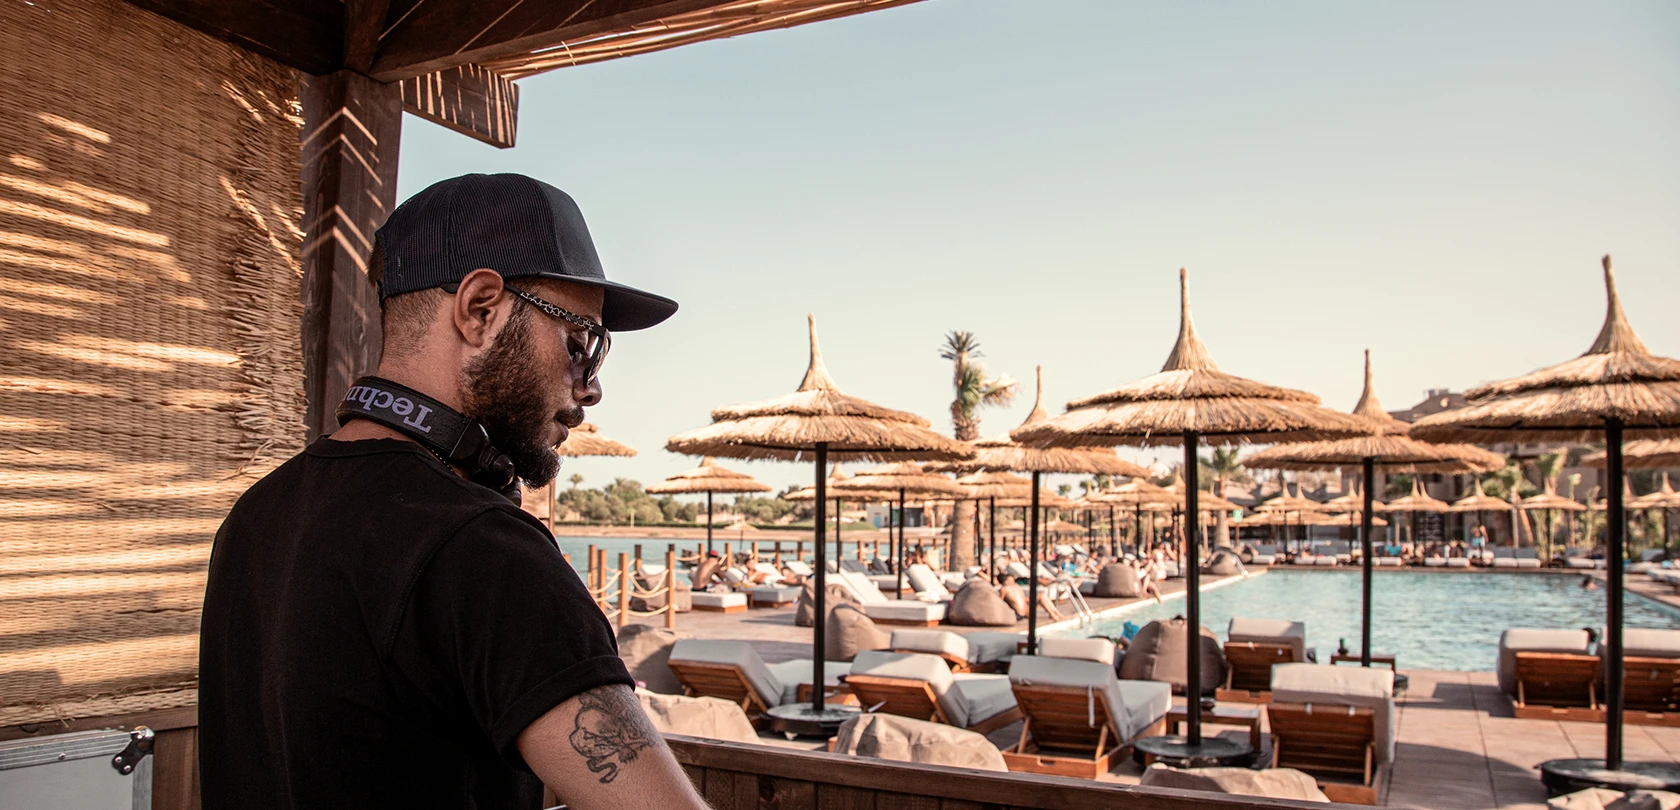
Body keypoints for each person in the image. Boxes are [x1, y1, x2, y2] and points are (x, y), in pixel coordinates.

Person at [198, 174, 705, 810]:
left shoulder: (256, 516)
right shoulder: (486, 551)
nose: (591, 386)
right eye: (582, 343)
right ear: (480, 309)